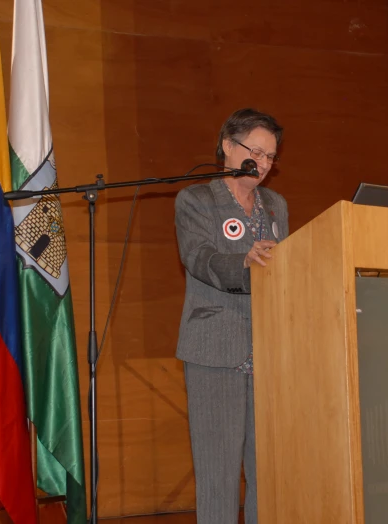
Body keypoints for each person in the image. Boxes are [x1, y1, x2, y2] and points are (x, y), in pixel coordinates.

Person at [174, 108, 289, 524]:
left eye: (270, 156)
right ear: (227, 146)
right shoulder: (197, 200)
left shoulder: (275, 206)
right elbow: (199, 258)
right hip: (214, 351)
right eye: (255, 151)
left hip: (267, 357)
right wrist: (244, 262)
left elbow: (285, 271)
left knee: (268, 475)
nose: (262, 162)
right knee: (218, 476)